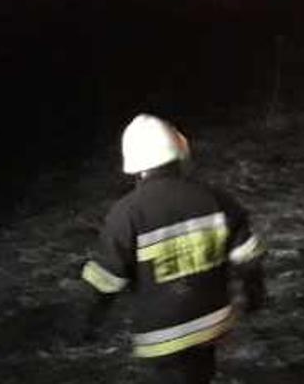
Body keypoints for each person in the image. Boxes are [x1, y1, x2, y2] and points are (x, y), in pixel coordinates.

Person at [79, 114, 267, 383]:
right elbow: (249, 257)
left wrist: (87, 324)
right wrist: (254, 298)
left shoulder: (126, 214)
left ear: (134, 166)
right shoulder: (215, 198)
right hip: (211, 324)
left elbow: (106, 280)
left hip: (161, 338)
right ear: (181, 153)